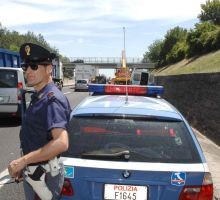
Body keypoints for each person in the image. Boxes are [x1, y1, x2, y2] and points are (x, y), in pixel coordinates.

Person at [8, 43, 71, 200]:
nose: (28, 71)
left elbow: (61, 143)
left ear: (49, 69)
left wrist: (23, 161)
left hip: (44, 178)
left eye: (34, 66)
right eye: (26, 66)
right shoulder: (38, 96)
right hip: (33, 173)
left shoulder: (52, 99)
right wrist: (25, 165)